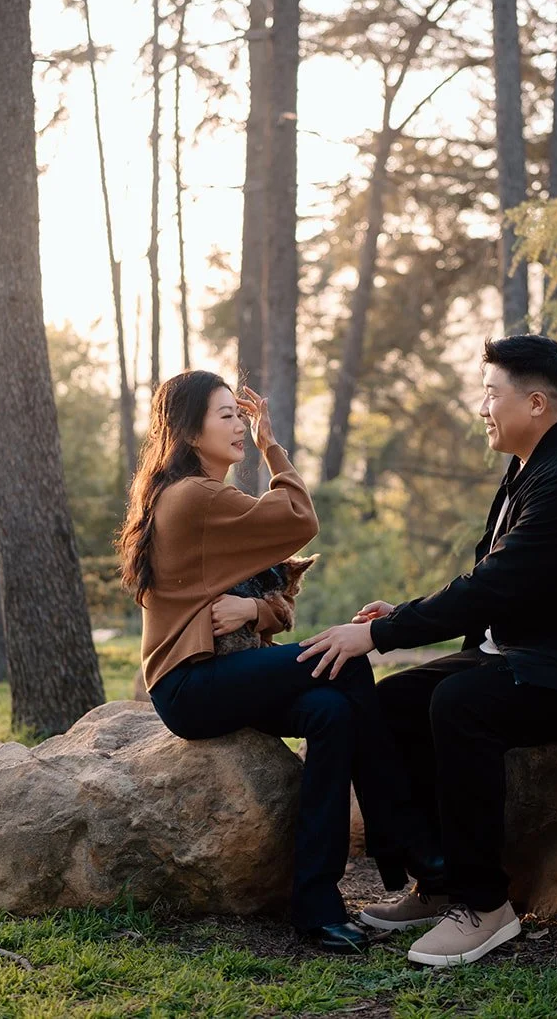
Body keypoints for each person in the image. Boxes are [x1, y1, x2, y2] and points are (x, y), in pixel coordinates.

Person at [300, 334, 557, 967]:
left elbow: (493, 585)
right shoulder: (528, 464)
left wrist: (379, 635)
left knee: (461, 704)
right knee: (392, 704)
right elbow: (495, 580)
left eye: (492, 393)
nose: (482, 407)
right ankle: (436, 880)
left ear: (538, 403)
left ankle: (485, 906)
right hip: (530, 649)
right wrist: (401, 615)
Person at [118, 371, 439, 954]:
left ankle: (316, 907)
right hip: (193, 685)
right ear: (189, 432)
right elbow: (298, 520)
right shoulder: (197, 496)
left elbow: (267, 598)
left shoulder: (196, 496)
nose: (239, 424)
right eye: (225, 416)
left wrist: (253, 611)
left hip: (222, 677)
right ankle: (409, 844)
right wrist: (272, 445)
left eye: (241, 416)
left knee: (330, 714)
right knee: (350, 661)